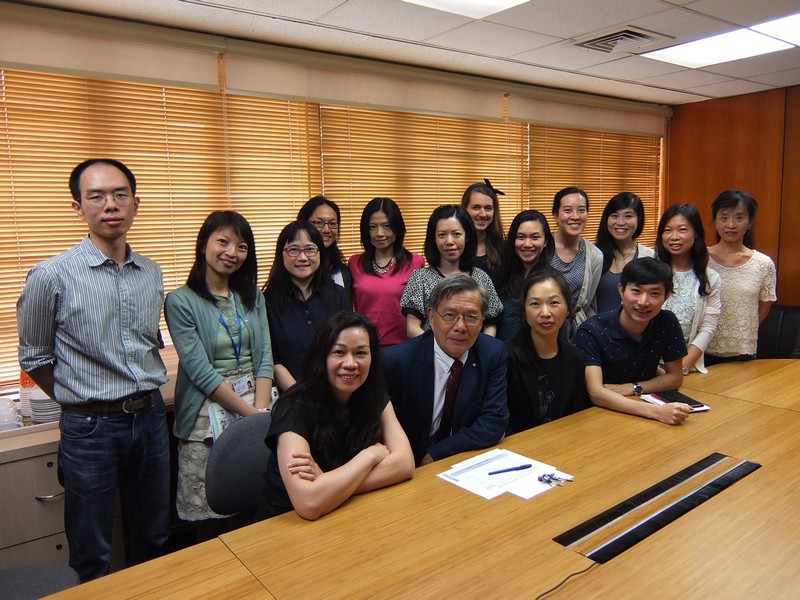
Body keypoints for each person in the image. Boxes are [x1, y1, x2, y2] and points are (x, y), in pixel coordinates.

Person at [17, 159, 169, 581]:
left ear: (136, 204)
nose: (110, 205)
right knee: (92, 551)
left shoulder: (151, 273)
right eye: (96, 196)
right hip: (90, 428)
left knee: (155, 538)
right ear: (77, 206)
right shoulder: (51, 276)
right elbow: (34, 358)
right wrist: (79, 398)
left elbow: (145, 342)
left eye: (120, 195)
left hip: (151, 417)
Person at [165, 211, 274, 529]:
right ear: (203, 245)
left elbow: (264, 354)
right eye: (223, 242)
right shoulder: (180, 301)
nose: (232, 252)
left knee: (258, 507)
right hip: (207, 412)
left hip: (258, 400)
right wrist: (252, 417)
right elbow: (201, 372)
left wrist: (261, 412)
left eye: (241, 246)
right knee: (211, 519)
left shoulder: (252, 296)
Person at [258, 311, 414, 521]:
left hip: (345, 513)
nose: (350, 363)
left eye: (360, 353)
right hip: (285, 526)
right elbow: (309, 503)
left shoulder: (374, 395)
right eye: (339, 352)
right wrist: (371, 456)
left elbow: (405, 464)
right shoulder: (293, 407)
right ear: (322, 357)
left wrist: (330, 485)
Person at [385, 275, 509, 466]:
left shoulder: (492, 353)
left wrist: (436, 454)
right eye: (450, 315)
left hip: (461, 461)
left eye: (471, 317)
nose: (460, 327)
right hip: (408, 467)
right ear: (431, 316)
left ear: (482, 320)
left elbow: (494, 421)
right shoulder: (397, 362)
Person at [575, 257, 691, 425]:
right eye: (636, 291)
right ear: (621, 290)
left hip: (639, 407)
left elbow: (675, 378)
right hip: (599, 415)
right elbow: (596, 393)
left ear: (666, 296)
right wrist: (657, 412)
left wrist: (632, 387)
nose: (643, 302)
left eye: (654, 294)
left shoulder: (666, 322)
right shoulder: (592, 330)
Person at [262, 221, 350, 392]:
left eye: (310, 249)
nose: (302, 258)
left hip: (339, 392)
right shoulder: (267, 301)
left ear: (320, 254)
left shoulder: (337, 294)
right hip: (293, 396)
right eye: (294, 250)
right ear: (281, 254)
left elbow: (347, 346)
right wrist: (299, 395)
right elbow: (273, 359)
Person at [506, 269, 589, 433]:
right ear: (524, 310)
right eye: (535, 304)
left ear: (567, 309)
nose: (545, 313)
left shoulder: (576, 359)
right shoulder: (505, 356)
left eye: (554, 303)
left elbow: (578, 418)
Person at [400, 205, 502, 337]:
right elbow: (412, 328)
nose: (449, 241)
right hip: (432, 354)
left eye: (456, 234)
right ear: (434, 239)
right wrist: (442, 350)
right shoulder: (420, 278)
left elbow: (490, 325)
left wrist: (477, 351)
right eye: (442, 235)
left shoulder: (481, 277)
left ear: (467, 237)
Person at [706, 190, 776, 365]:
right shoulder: (700, 259)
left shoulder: (763, 263)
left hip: (743, 352)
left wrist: (744, 330)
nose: (731, 224)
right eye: (724, 218)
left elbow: (765, 306)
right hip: (701, 350)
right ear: (715, 222)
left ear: (750, 222)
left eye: (739, 218)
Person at [348, 197, 424, 349]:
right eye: (372, 227)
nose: (379, 233)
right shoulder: (354, 263)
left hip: (405, 347)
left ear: (398, 227)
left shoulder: (415, 262)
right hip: (366, 347)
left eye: (387, 226)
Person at [656, 204, 721, 374]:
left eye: (682, 230)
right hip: (647, 367)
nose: (674, 237)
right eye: (668, 230)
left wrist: (681, 367)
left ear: (696, 233)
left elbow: (708, 327)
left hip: (687, 368)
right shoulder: (650, 270)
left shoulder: (710, 278)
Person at [491, 210, 555, 341]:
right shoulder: (498, 275)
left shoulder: (553, 281)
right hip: (502, 355)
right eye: (521, 237)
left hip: (538, 354)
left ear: (545, 241)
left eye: (535, 237)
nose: (527, 244)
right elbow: (490, 321)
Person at [549, 187, 603, 336]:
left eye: (581, 210)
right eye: (567, 210)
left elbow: (588, 302)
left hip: (575, 330)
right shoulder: (542, 245)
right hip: (542, 324)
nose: (575, 216)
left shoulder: (594, 255)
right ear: (555, 214)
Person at [593, 192, 655, 314]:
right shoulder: (593, 254)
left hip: (635, 330)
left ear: (639, 219)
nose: (620, 222)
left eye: (628, 216)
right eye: (614, 216)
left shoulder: (650, 257)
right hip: (596, 329)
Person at [297, 195, 353, 302]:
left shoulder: (342, 271)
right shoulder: (296, 265)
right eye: (319, 223)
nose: (326, 229)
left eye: (332, 224)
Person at [461, 179, 505, 273]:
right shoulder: (454, 248)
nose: (482, 214)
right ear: (464, 210)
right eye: (476, 207)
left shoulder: (504, 249)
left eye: (488, 208)